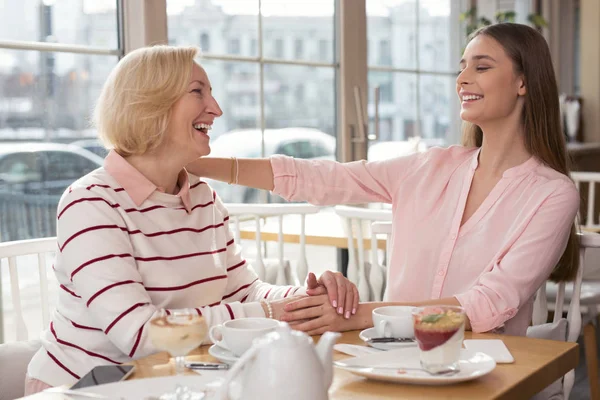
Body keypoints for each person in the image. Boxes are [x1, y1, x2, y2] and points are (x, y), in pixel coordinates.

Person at [186, 23, 580, 336]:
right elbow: (323, 178)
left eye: (481, 66)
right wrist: (193, 164)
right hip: (392, 357)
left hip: (487, 371)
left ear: (523, 82)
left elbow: (488, 304)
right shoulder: (430, 166)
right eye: (460, 67)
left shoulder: (552, 195)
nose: (462, 79)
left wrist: (362, 316)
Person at [25, 45, 358, 394]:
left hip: (169, 382)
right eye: (198, 92)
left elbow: (245, 290)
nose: (216, 109)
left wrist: (309, 297)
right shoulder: (91, 203)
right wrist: (274, 312)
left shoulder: (201, 196)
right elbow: (140, 335)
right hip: (80, 389)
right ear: (149, 104)